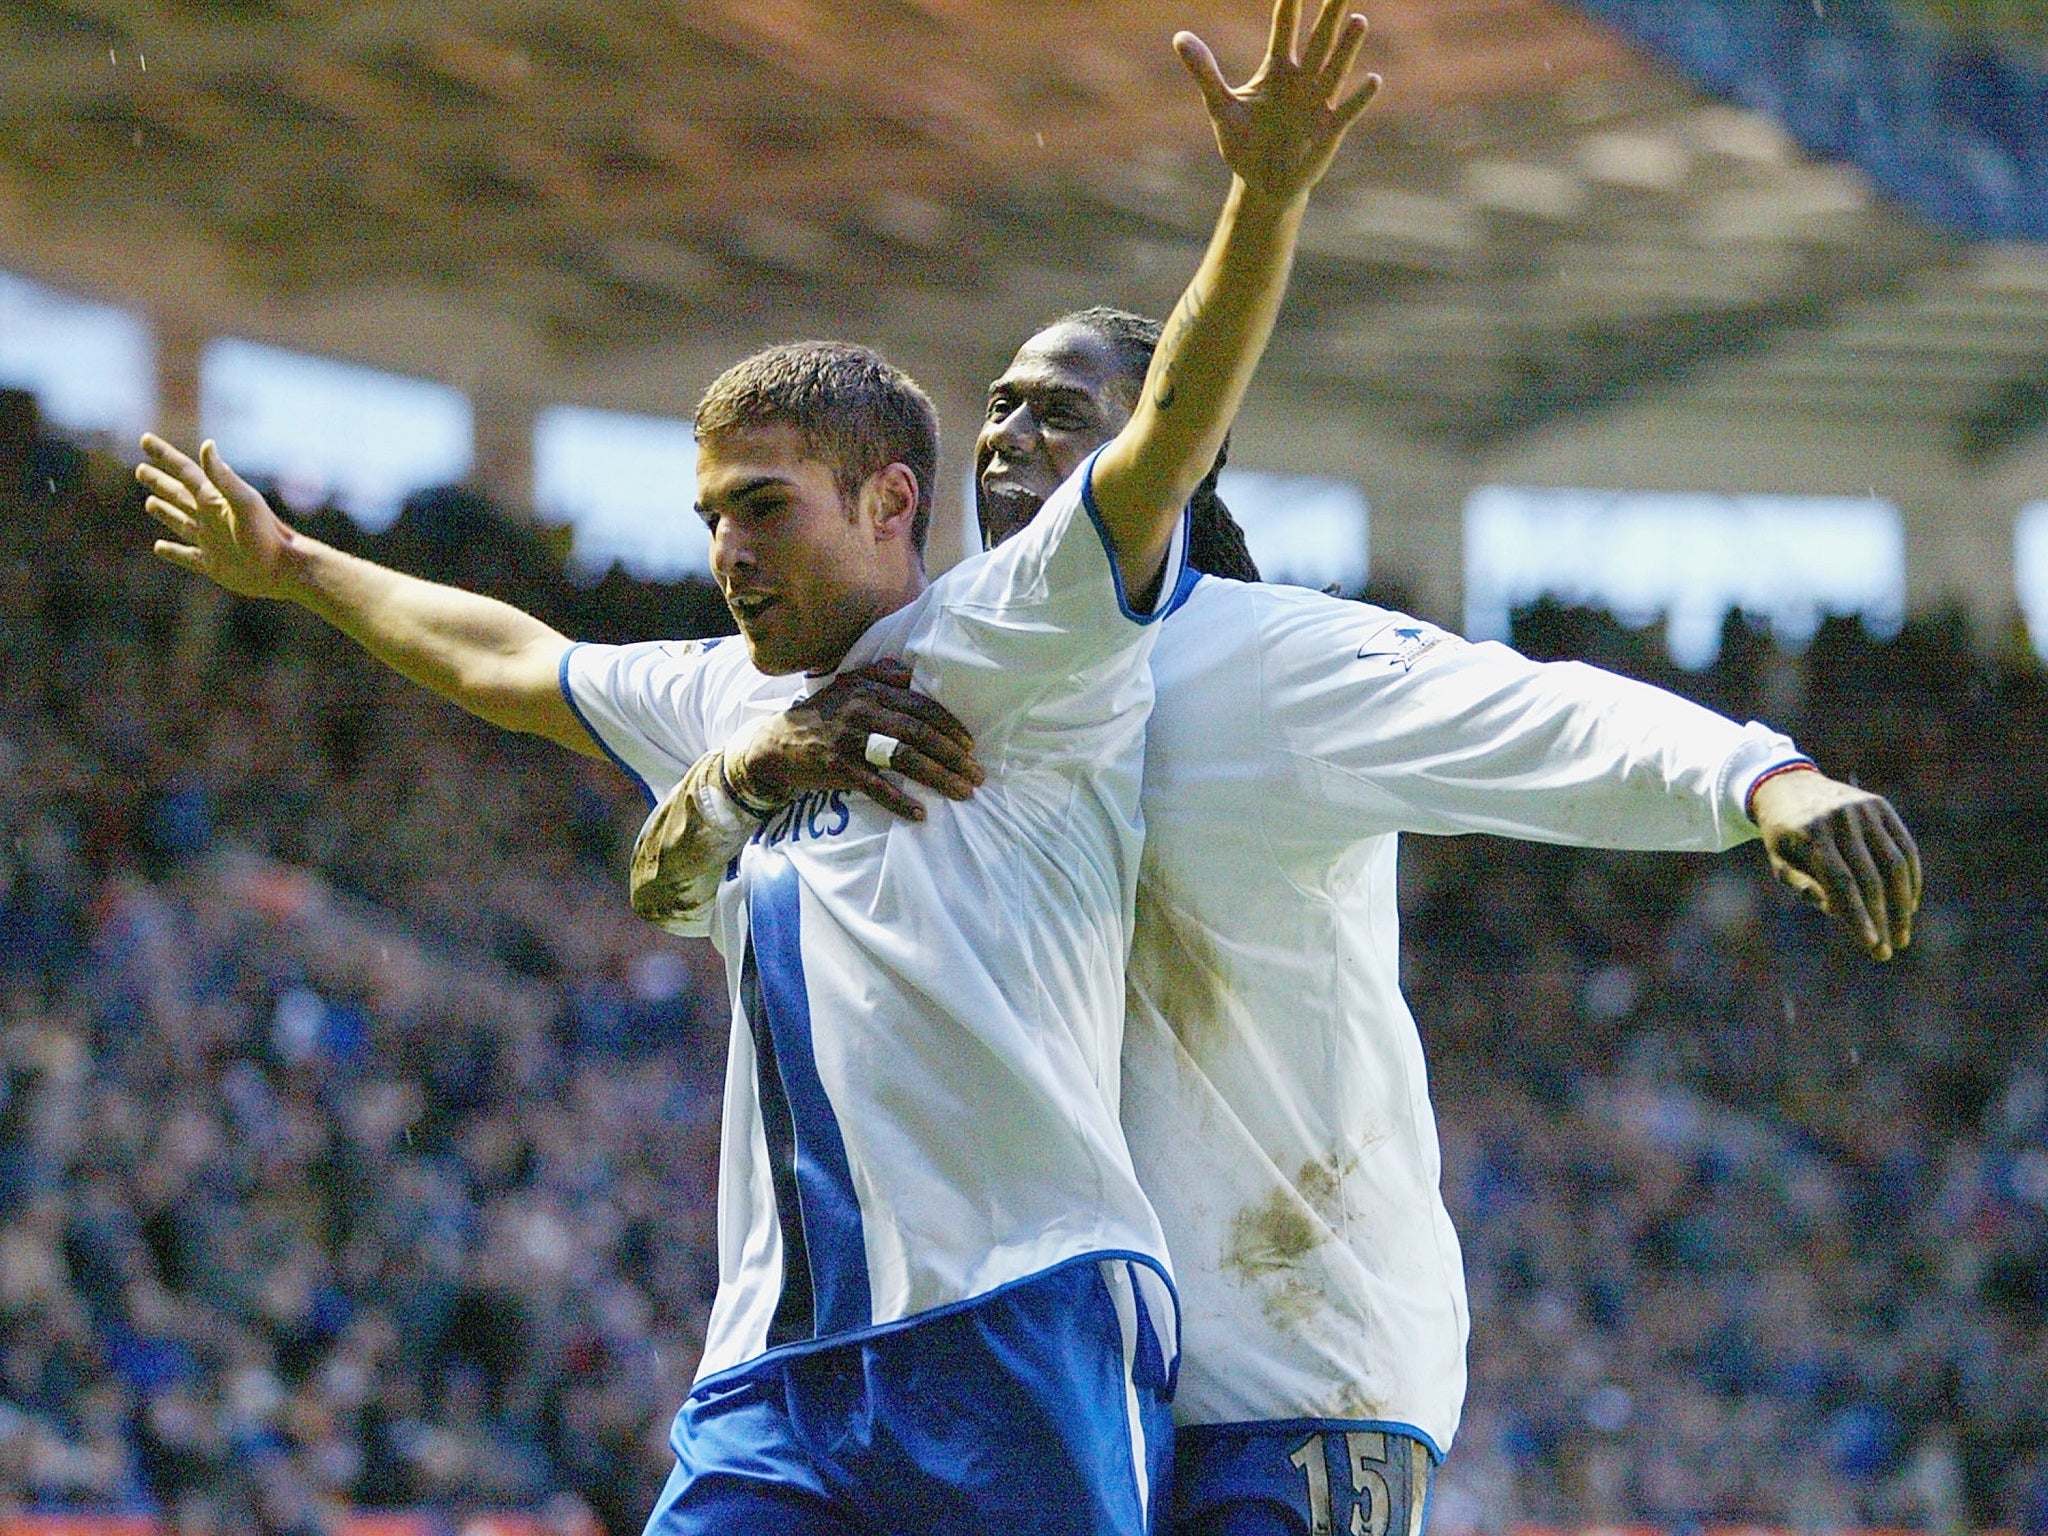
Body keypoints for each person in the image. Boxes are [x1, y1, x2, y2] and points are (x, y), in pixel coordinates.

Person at [135, 4, 1382, 1530]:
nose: (725, 550)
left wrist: (1263, 199)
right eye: (712, 512)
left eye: (765, 508)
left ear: (888, 501)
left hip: (1020, 1318)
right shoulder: (723, 695)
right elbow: (505, 658)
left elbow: (1166, 434)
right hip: (778, 1372)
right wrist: (296, 565)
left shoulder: (1030, 639)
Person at [631, 315, 1922, 1536]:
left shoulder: (1270, 664)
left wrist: (1761, 782)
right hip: (1103, 1378)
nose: (1010, 438)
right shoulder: (976, 675)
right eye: (998, 407)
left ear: (1176, 448)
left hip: (1302, 1382)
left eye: (1062, 414)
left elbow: (1528, 713)